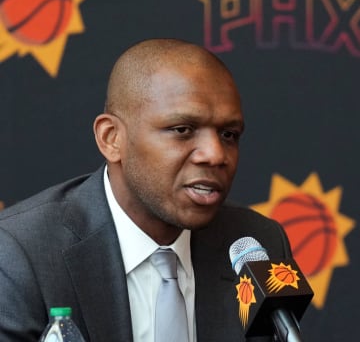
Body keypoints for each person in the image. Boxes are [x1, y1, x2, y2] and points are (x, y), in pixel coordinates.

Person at [0, 38, 292, 341]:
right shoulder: (21, 254)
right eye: (183, 130)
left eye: (229, 134)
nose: (215, 154)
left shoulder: (256, 244)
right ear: (111, 138)